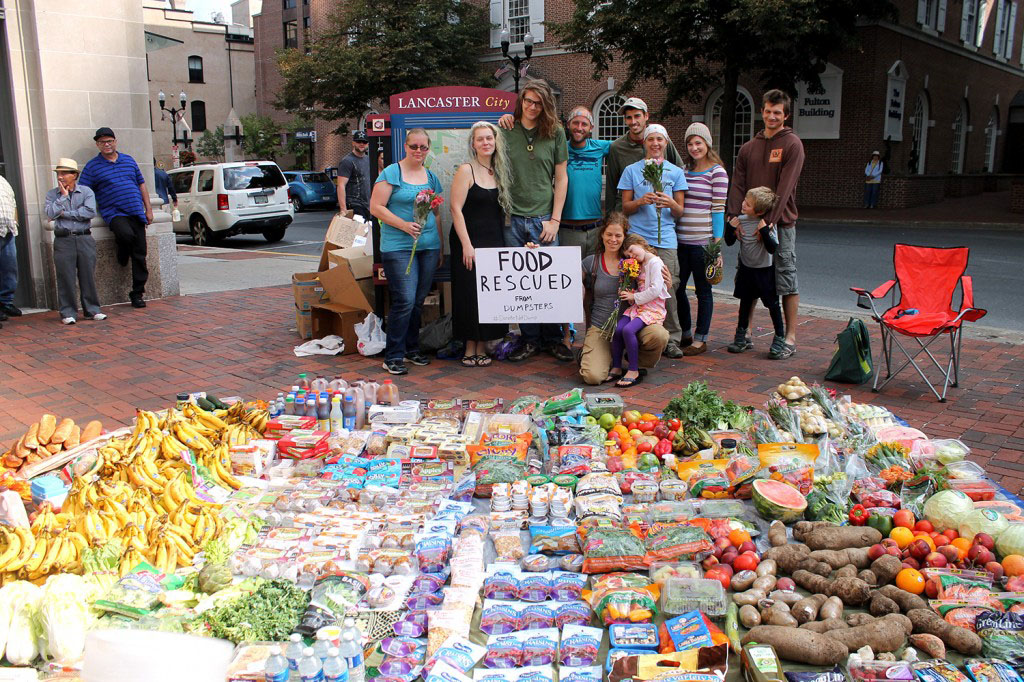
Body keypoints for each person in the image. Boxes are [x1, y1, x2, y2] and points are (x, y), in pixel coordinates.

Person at [727, 89, 805, 359]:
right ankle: (744, 333)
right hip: (748, 226)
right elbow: (737, 185)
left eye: (777, 113)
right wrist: (733, 218)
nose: (772, 117)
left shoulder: (792, 145)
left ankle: (789, 338)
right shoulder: (749, 148)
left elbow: (784, 188)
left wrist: (767, 224)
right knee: (749, 278)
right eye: (768, 111)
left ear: (786, 115)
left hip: (778, 225)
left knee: (785, 279)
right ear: (762, 112)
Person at [499, 79, 571, 363]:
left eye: (537, 103)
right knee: (521, 284)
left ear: (546, 106)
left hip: (544, 218)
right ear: (521, 101)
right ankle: (529, 340)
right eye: (527, 101)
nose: (531, 107)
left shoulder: (555, 133)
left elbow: (562, 177)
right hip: (512, 218)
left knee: (548, 283)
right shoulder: (506, 128)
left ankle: (554, 340)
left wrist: (555, 220)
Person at [370, 128, 444, 376]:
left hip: (428, 246)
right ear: (405, 146)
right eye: (414, 147)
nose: (419, 151)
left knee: (418, 301)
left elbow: (435, 212)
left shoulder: (430, 176)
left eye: (423, 147)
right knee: (404, 300)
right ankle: (393, 355)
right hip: (399, 247)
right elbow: (376, 207)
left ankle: (412, 349)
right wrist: (403, 225)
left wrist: (440, 245)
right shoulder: (392, 172)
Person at [618, 124, 687, 357]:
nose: (655, 144)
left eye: (660, 139)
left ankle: (671, 338)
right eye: (651, 140)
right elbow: (625, 207)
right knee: (636, 284)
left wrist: (671, 204)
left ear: (666, 143)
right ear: (644, 143)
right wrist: (640, 201)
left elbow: (680, 211)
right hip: (639, 237)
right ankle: (634, 333)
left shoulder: (675, 172)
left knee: (669, 286)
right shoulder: (631, 170)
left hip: (665, 239)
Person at [578, 215, 669, 385]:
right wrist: (536, 252)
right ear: (602, 235)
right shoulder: (592, 262)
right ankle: (601, 357)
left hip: (634, 321)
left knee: (658, 335)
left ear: (625, 237)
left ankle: (637, 363)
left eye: (618, 236)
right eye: (609, 234)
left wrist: (666, 282)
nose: (613, 239)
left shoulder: (635, 260)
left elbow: (656, 284)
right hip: (601, 326)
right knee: (592, 377)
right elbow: (562, 279)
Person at [449, 121, 511, 367]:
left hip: (493, 240)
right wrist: (466, 244)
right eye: (480, 139)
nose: (486, 142)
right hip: (469, 241)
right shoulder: (467, 170)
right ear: (473, 144)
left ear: (496, 142)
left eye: (489, 138)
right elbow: (455, 208)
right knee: (469, 294)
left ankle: (483, 344)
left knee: (488, 294)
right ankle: (470, 346)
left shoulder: (499, 171)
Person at [79, 127, 154, 309]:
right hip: (114, 213)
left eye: (109, 141)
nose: (106, 144)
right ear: (98, 145)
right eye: (102, 142)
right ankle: (122, 251)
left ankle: (137, 293)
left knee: (139, 254)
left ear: (115, 142)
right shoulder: (93, 166)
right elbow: (84, 190)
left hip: (136, 211)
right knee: (125, 236)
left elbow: (141, 184)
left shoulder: (128, 160)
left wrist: (149, 209)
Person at [676, 122, 728, 356]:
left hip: (703, 243)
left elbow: (718, 209)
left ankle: (701, 337)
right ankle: (685, 331)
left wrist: (716, 246)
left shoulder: (717, 172)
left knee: (703, 292)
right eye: (690, 143)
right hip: (680, 241)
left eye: (698, 142)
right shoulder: (684, 171)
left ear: (707, 143)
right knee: (677, 289)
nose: (694, 147)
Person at [44, 158, 106, 325]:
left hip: (84, 237)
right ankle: (68, 312)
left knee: (88, 275)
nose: (60, 177)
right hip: (63, 239)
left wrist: (65, 213)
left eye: (64, 173)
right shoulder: (52, 194)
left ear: (74, 175)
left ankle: (92, 310)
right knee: (65, 277)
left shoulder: (86, 192)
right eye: (59, 173)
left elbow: (89, 212)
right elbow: (50, 213)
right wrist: (63, 198)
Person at [725, 187, 785, 356]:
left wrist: (764, 231)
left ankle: (779, 336)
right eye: (745, 200)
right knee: (745, 302)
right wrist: (730, 227)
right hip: (746, 268)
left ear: (758, 211)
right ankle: (741, 335)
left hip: (764, 271)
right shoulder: (741, 220)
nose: (743, 204)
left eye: (748, 204)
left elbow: (773, 248)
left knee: (772, 304)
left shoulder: (767, 224)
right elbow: (729, 242)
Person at [608, 234, 670, 388]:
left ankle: (633, 370)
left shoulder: (655, 262)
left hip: (652, 307)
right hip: (639, 306)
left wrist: (634, 296)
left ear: (640, 243)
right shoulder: (640, 263)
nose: (631, 255)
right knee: (619, 329)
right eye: (628, 255)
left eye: (631, 250)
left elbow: (655, 290)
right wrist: (629, 291)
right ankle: (616, 366)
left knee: (628, 330)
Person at [605, 97, 682, 216]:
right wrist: (609, 218)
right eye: (629, 117)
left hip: (660, 215)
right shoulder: (617, 147)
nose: (633, 121)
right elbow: (611, 186)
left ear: (646, 116)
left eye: (637, 116)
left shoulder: (662, 142)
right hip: (627, 215)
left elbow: (679, 170)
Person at [338, 130, 371, 219]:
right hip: (354, 205)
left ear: (367, 144)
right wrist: (343, 209)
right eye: (358, 141)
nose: (362, 144)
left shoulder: (369, 160)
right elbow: (341, 185)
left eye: (364, 142)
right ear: (353, 143)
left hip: (368, 206)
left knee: (368, 232)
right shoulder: (347, 161)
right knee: (358, 232)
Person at [0, 172, 19, 326]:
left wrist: (15, 223)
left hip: (8, 231)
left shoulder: (3, 181)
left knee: (9, 269)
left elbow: (13, 204)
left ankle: (6, 302)